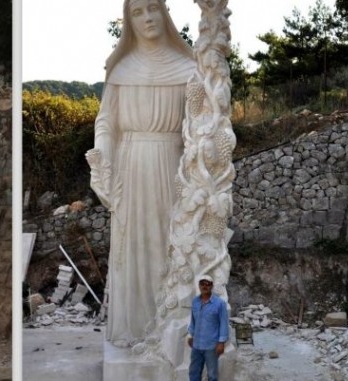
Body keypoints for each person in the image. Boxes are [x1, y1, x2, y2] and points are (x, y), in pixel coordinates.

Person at [86, 0, 195, 346]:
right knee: (135, 247)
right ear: (128, 21)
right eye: (137, 12)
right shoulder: (121, 70)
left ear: (165, 13)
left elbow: (201, 125)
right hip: (131, 169)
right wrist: (103, 158)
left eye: (153, 8)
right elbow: (106, 123)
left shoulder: (188, 68)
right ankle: (136, 331)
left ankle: (172, 329)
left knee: (171, 245)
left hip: (173, 166)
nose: (147, 17)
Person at [187, 275, 229, 381]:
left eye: (208, 284)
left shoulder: (219, 303)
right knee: (194, 372)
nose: (205, 286)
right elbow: (193, 320)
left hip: (211, 346)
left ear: (211, 286)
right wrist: (190, 335)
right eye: (202, 284)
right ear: (199, 285)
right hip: (196, 345)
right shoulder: (195, 302)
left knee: (212, 374)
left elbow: (223, 323)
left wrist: (221, 342)